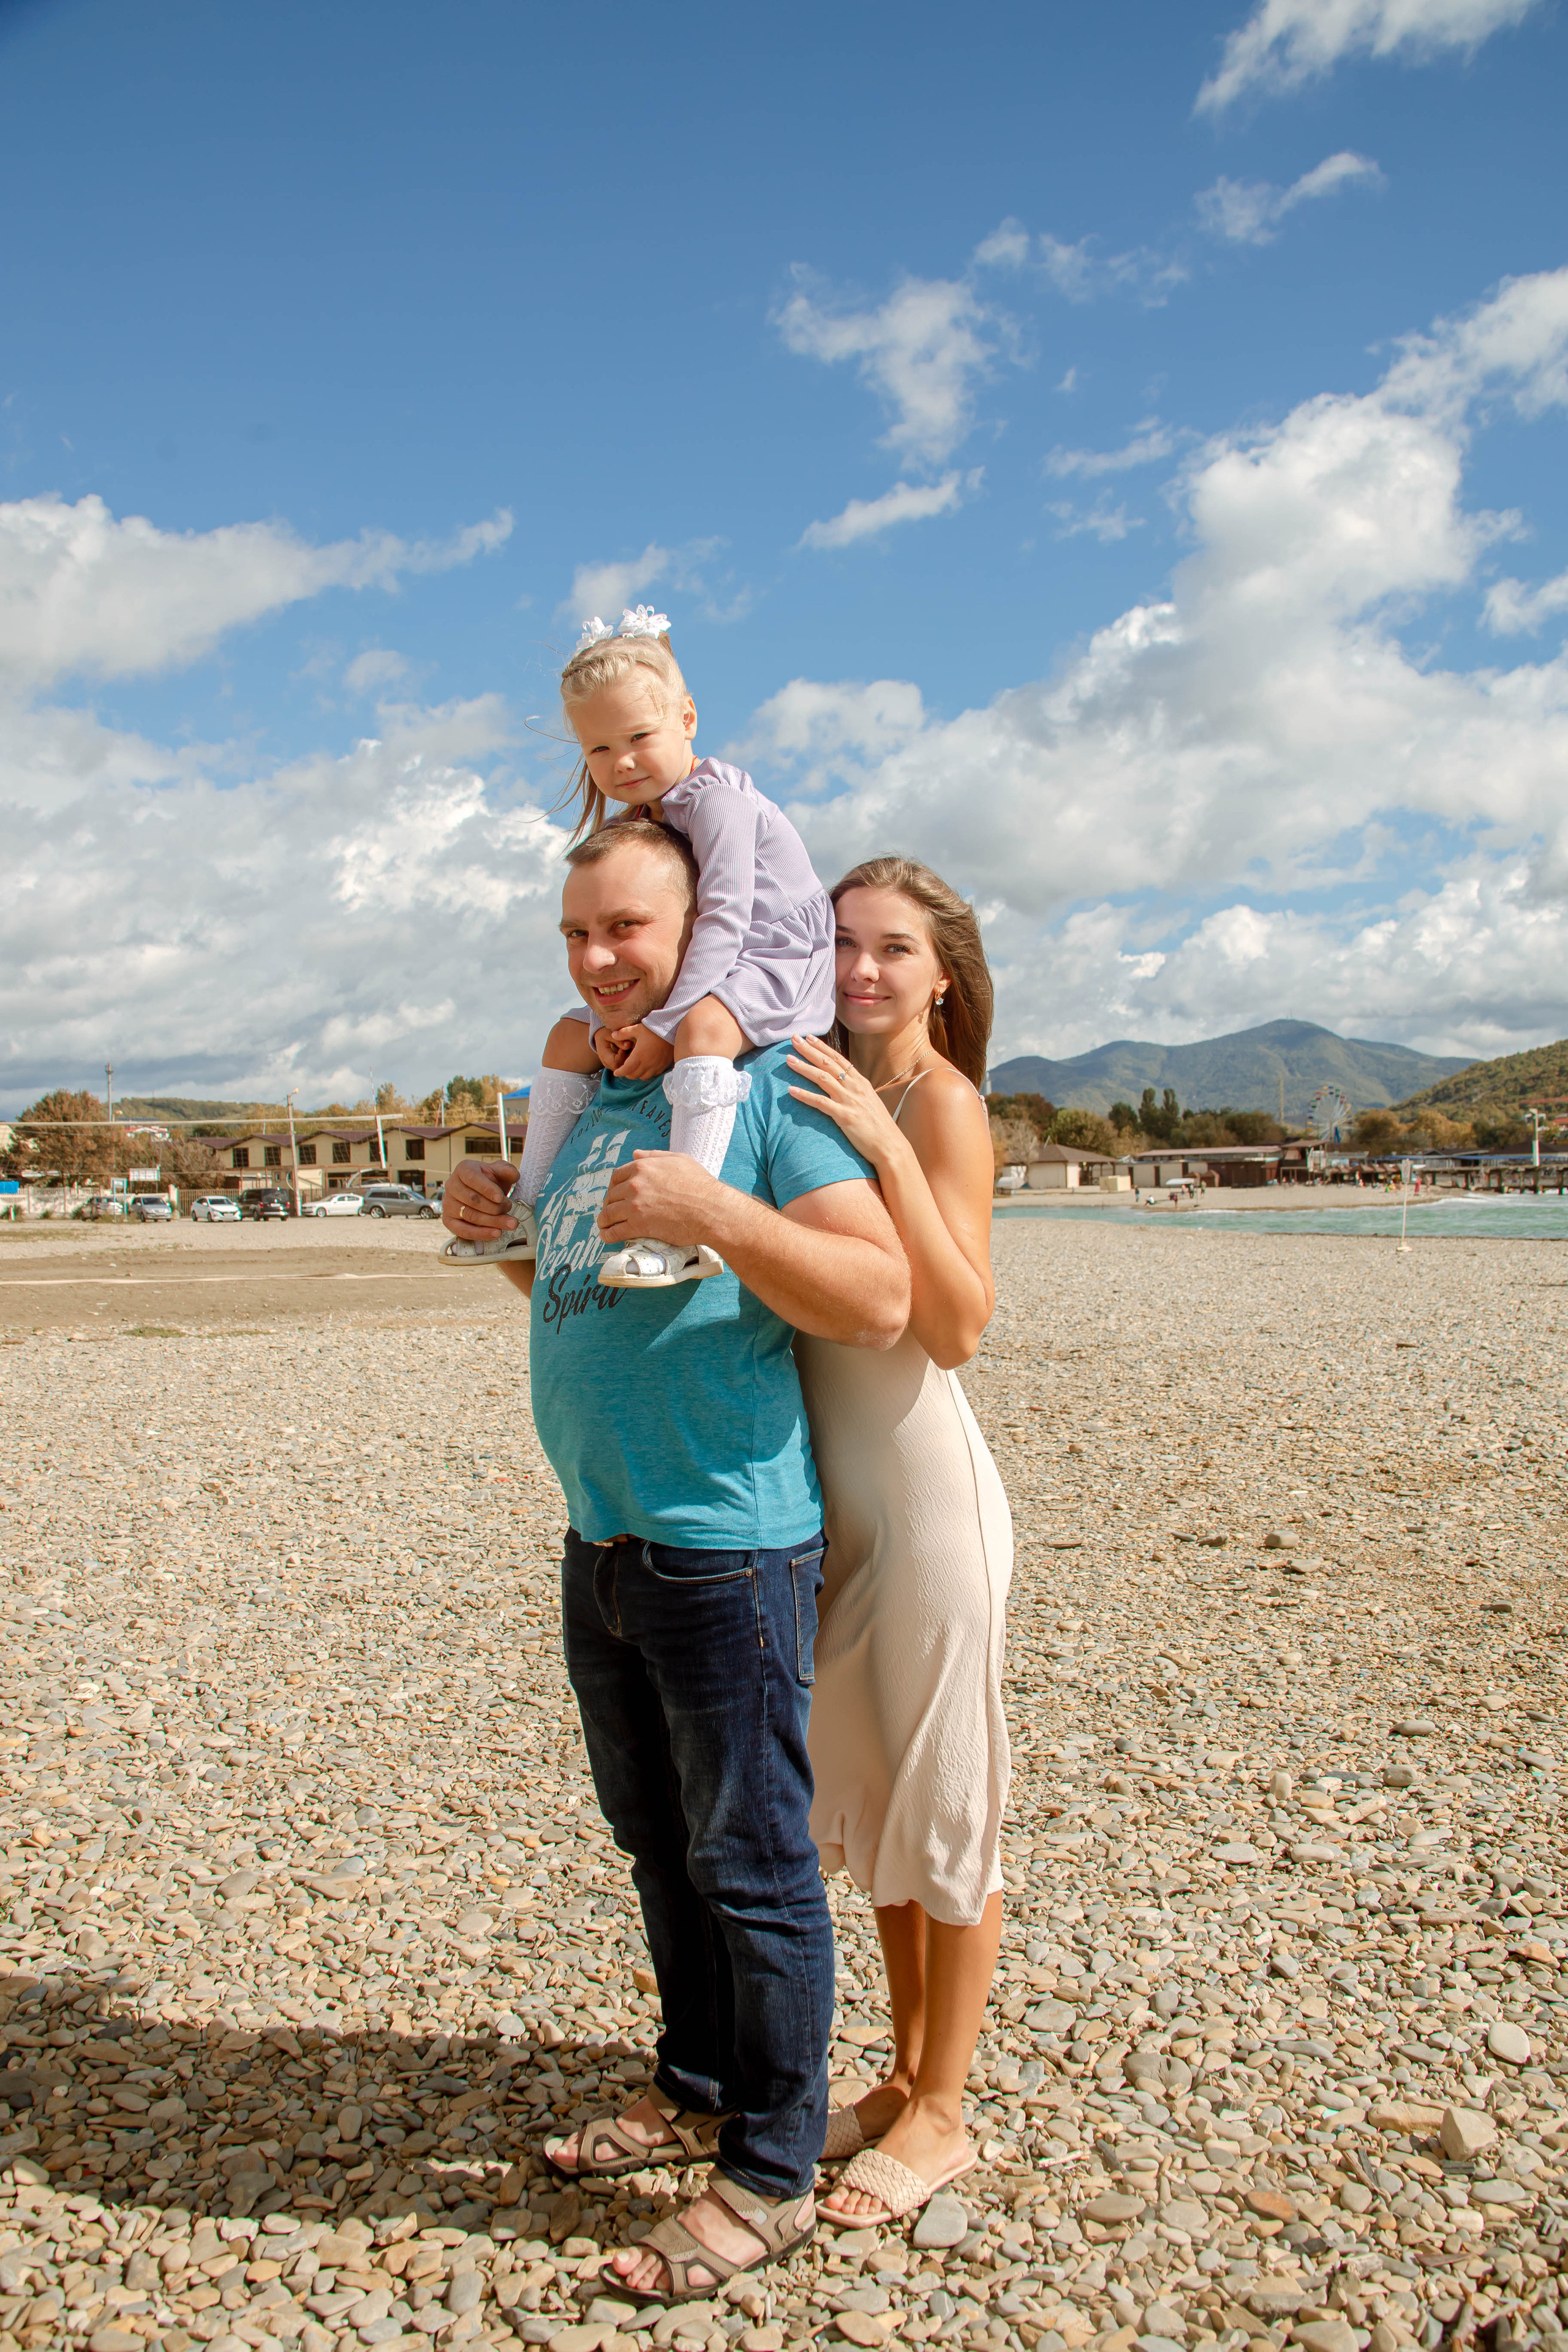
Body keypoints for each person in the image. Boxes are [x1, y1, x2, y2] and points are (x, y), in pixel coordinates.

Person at [441, 818, 909, 2302]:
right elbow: (573, 1278)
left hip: (725, 1546)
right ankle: (698, 2075)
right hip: (601, 1537)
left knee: (753, 1858)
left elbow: (881, 1292)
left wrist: (716, 1203)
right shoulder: (590, 1097)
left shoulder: (762, 1088)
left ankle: (770, 2166)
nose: (597, 960)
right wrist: (494, 1232)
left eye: (626, 928)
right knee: (657, 1840)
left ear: (699, 924)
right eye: (576, 934)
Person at [785, 854, 1014, 2230]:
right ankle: (898, 2072)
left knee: (947, 1804)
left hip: (927, 1505)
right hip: (836, 1507)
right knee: (871, 1804)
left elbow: (957, 1326)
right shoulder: (804, 1075)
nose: (861, 970)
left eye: (890, 950)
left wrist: (884, 1141)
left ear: (941, 974)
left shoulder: (944, 1104)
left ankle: (945, 2113)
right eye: (841, 946)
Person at [443, 605, 834, 1288]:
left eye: (638, 736)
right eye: (596, 749)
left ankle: (685, 1228)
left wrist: (660, 1027)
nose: (619, 761)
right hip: (714, 963)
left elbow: (724, 921)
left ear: (687, 718)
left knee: (706, 1025)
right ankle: (528, 1208)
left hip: (775, 959)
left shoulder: (717, 802)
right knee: (567, 1038)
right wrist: (606, 1030)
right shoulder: (645, 818)